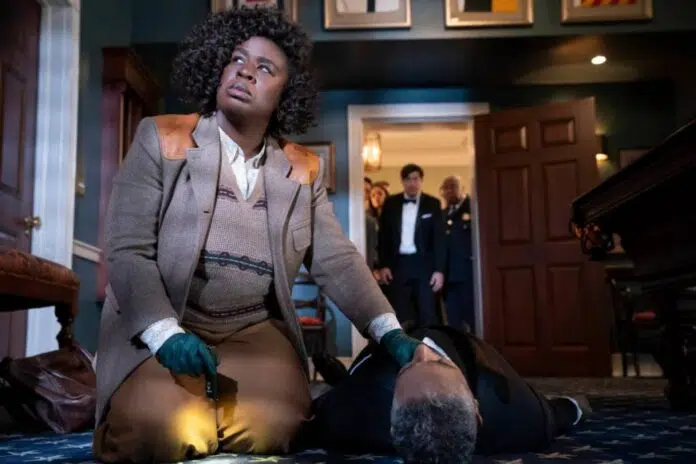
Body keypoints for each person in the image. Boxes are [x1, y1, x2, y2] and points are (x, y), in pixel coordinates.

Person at [92, 7, 421, 463]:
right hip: (171, 319)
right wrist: (165, 334)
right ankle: (172, 403)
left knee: (275, 428)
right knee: (159, 430)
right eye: (237, 59)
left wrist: (389, 332)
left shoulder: (303, 170)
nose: (245, 71)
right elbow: (128, 250)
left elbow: (338, 261)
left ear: (286, 94)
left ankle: (209, 410)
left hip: (253, 328)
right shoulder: (160, 138)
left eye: (265, 68)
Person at [303, 325, 590, 463]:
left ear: (391, 425)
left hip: (378, 359)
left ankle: (343, 378)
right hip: (465, 344)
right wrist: (575, 407)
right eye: (441, 364)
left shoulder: (351, 417)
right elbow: (557, 414)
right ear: (476, 410)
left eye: (408, 368)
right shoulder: (522, 416)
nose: (421, 351)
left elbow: (314, 415)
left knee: (352, 385)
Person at [378, 164, 446, 327]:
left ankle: (428, 343)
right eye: (408, 179)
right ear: (402, 181)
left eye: (416, 179)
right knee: (400, 313)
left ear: (421, 180)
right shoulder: (391, 204)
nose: (412, 183)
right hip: (399, 266)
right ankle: (402, 344)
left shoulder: (433, 204)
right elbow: (383, 237)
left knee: (427, 312)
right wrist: (384, 265)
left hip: (424, 266)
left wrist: (439, 270)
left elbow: (439, 239)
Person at [440, 175, 476, 330]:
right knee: (453, 323)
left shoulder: (474, 209)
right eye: (445, 188)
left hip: (469, 277)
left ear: (462, 189)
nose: (449, 191)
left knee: (473, 321)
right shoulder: (442, 214)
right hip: (449, 279)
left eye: (453, 186)